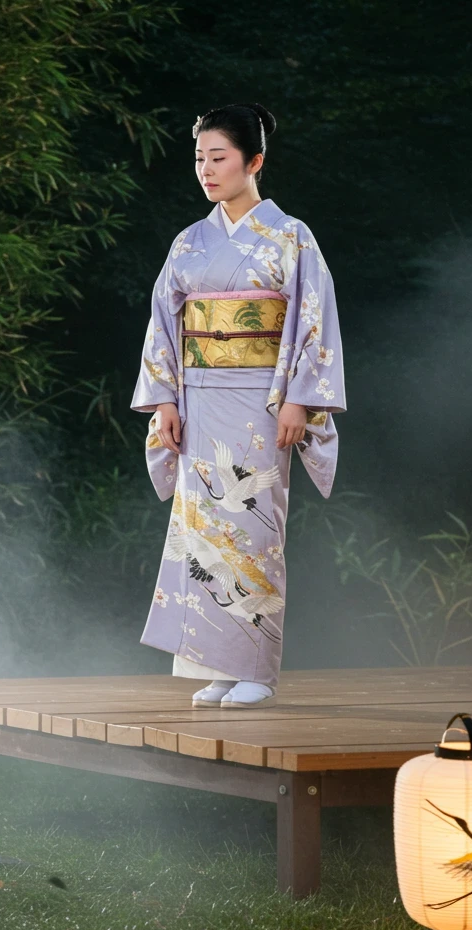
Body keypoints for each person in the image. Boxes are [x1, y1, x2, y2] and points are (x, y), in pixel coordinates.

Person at [130, 102, 346, 708]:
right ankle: (217, 663)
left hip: (260, 402)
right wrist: (165, 400)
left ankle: (257, 666)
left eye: (218, 157)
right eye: (200, 158)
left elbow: (313, 322)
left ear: (254, 161)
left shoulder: (291, 237)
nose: (206, 169)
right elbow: (163, 324)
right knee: (203, 532)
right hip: (199, 402)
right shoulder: (190, 242)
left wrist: (300, 401)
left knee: (253, 526)